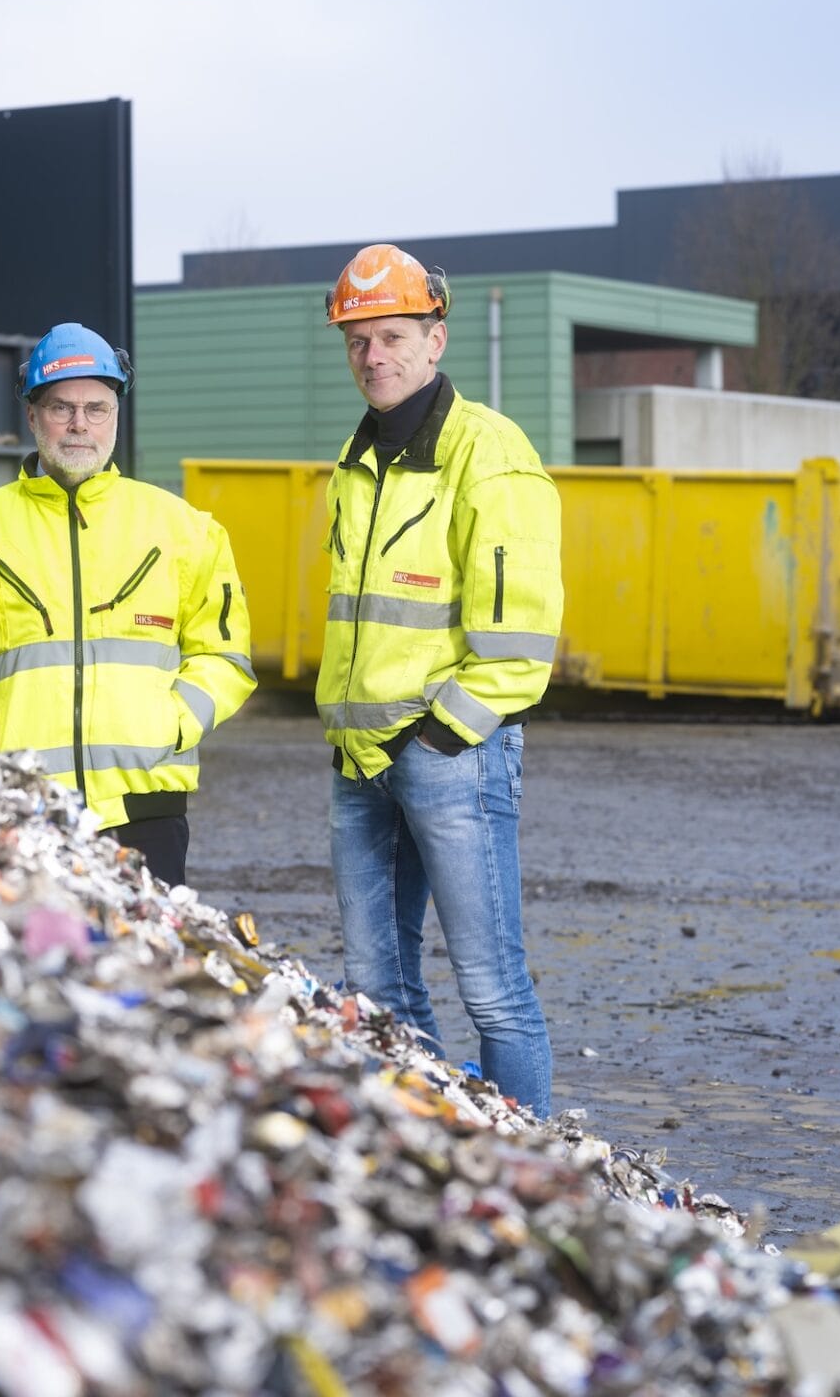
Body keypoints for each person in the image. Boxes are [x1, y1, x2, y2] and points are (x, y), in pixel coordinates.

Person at [318, 244, 562, 1117]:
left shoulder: (488, 454)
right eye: (358, 342)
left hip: (446, 755)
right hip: (360, 761)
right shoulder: (360, 460)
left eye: (391, 337)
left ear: (435, 339)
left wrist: (439, 736)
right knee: (376, 993)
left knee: (492, 988)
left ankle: (522, 1171)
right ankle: (431, 1157)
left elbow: (521, 638)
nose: (373, 356)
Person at [0, 322, 255, 886]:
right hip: (19, 805)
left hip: (145, 808)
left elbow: (225, 656)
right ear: (32, 416)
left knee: (142, 968)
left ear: (116, 414)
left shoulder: (185, 530)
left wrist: (170, 725)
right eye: (61, 408)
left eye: (97, 408)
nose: (79, 426)